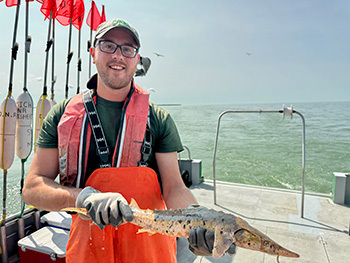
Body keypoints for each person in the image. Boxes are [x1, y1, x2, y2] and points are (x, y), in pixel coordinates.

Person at [22, 19, 235, 262]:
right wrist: (82, 197)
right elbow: (32, 189)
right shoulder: (61, 116)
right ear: (93, 53)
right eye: (108, 46)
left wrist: (199, 220)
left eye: (127, 49)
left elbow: (174, 187)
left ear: (137, 60)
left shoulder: (159, 119)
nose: (118, 55)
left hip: (151, 250)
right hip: (88, 250)